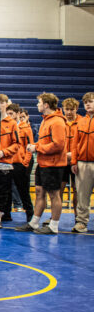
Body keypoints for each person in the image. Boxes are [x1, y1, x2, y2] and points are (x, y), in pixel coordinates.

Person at [15, 93, 67, 234]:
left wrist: (36, 148)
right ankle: (34, 223)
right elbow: (45, 142)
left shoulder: (57, 121)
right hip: (43, 163)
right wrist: (35, 145)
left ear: (46, 105)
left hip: (53, 165)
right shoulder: (46, 120)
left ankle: (54, 226)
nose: (37, 105)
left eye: (39, 103)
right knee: (39, 193)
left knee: (54, 195)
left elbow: (58, 145)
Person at [0, 94, 19, 228]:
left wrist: (4, 152)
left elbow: (16, 144)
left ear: (6, 104)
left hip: (5, 164)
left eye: (2, 103)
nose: (0, 105)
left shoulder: (12, 124)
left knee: (3, 192)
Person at [6, 103, 34, 221]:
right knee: (6, 189)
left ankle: (30, 214)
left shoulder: (25, 128)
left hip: (20, 163)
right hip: (8, 162)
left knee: (23, 190)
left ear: (18, 114)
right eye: (7, 114)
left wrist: (25, 163)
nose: (9, 116)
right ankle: (6, 214)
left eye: (11, 114)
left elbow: (29, 147)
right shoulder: (6, 127)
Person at [72, 92, 94, 233]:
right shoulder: (80, 121)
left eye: (91, 101)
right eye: (85, 102)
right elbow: (74, 144)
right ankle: (81, 222)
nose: (87, 104)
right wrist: (74, 161)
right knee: (82, 195)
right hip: (82, 163)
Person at [62, 97, 82, 213]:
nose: (69, 112)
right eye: (67, 109)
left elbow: (84, 143)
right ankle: (54, 217)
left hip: (77, 161)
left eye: (72, 109)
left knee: (77, 190)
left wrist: (73, 154)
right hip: (62, 161)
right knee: (58, 190)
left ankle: (77, 217)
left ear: (76, 109)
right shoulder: (60, 122)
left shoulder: (82, 122)